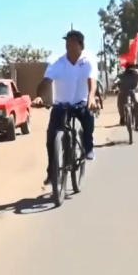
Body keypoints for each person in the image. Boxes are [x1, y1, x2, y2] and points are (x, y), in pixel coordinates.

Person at [33, 30, 99, 186]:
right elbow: (46, 82)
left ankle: (88, 147)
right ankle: (52, 172)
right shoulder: (57, 62)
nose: (68, 44)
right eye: (66, 41)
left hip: (81, 102)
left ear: (80, 44)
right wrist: (40, 96)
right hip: (60, 104)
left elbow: (92, 81)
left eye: (72, 41)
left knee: (88, 118)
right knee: (51, 138)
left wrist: (91, 98)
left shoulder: (88, 60)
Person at [116, 61, 138, 130]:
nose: (130, 69)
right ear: (126, 68)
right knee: (120, 104)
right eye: (129, 67)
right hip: (124, 91)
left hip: (135, 91)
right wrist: (115, 86)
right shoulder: (122, 73)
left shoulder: (137, 73)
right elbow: (117, 80)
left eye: (132, 67)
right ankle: (122, 117)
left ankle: (137, 124)